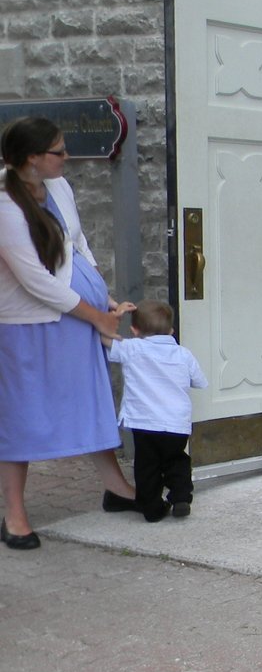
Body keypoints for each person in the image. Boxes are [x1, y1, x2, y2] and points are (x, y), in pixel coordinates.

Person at [0, 116, 142, 551]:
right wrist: (95, 317)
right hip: (30, 323)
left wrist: (104, 296)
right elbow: (34, 281)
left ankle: (116, 488)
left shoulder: (58, 186)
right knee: (22, 414)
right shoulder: (5, 204)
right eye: (59, 151)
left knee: (89, 397)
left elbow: (77, 246)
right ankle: (14, 516)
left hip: (75, 315)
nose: (68, 157)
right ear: (32, 158)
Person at [105, 300, 208, 522]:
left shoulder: (131, 348)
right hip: (176, 423)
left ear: (134, 330)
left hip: (144, 423)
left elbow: (104, 338)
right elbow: (199, 381)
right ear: (171, 331)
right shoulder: (183, 354)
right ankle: (181, 497)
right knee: (177, 460)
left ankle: (152, 508)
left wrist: (116, 314)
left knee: (147, 466)